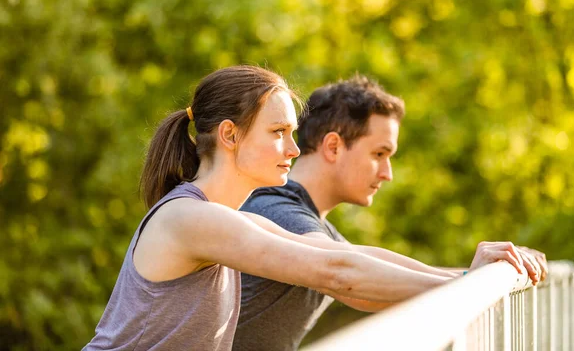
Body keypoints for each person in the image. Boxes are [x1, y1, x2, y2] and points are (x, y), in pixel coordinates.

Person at [84, 66, 531, 350]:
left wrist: (467, 277)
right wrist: (467, 282)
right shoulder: (191, 218)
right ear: (229, 135)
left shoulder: (231, 219)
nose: (295, 148)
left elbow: (348, 257)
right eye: (278, 131)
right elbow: (336, 273)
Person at [233, 75, 548, 351]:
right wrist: (466, 279)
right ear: (332, 147)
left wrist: (475, 276)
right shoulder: (275, 207)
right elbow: (344, 273)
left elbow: (364, 275)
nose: (387, 173)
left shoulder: (311, 223)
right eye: (379, 154)